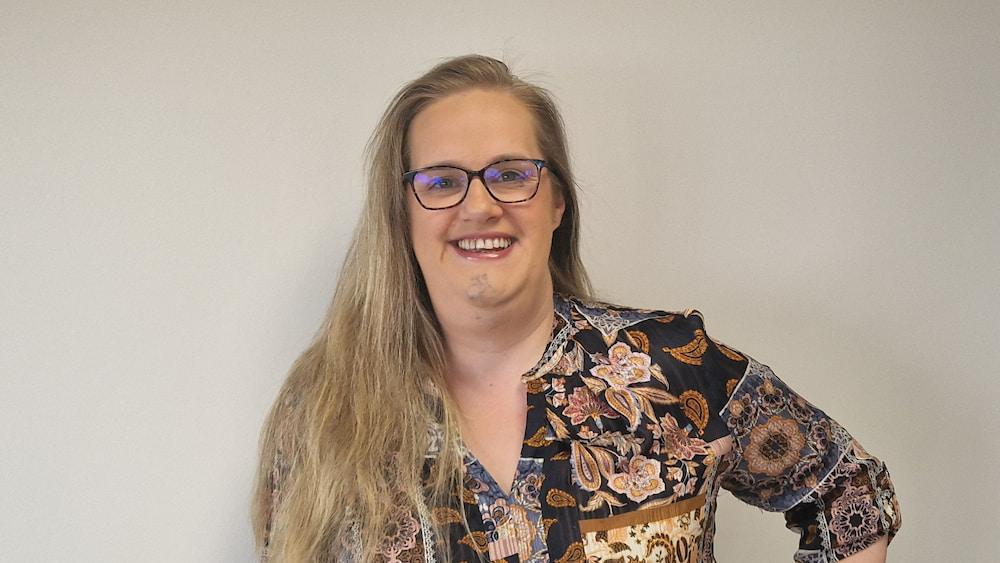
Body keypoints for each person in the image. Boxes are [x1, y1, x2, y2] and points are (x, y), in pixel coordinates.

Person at [251, 54, 901, 563]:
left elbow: (851, 495)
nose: (479, 205)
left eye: (510, 173)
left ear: (556, 203)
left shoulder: (669, 367)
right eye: (442, 181)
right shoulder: (324, 409)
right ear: (401, 214)